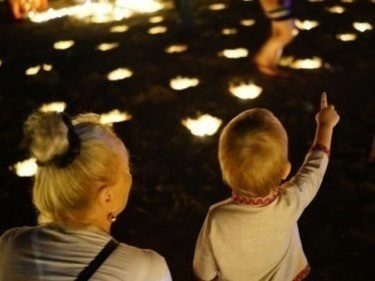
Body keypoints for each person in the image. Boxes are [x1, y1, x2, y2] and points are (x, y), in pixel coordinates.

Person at [0, 112, 172, 281]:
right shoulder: (146, 270)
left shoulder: (10, 246)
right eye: (126, 169)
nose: (131, 176)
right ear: (106, 196)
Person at [193, 93, 340, 280]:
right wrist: (325, 126)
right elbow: (314, 169)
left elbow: (204, 272)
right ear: (286, 170)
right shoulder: (290, 202)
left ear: (225, 168)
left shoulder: (217, 218)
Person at [254, 0, 298, 76]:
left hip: (280, 5)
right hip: (277, 6)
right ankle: (263, 60)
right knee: (286, 35)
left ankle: (270, 62)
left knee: (281, 34)